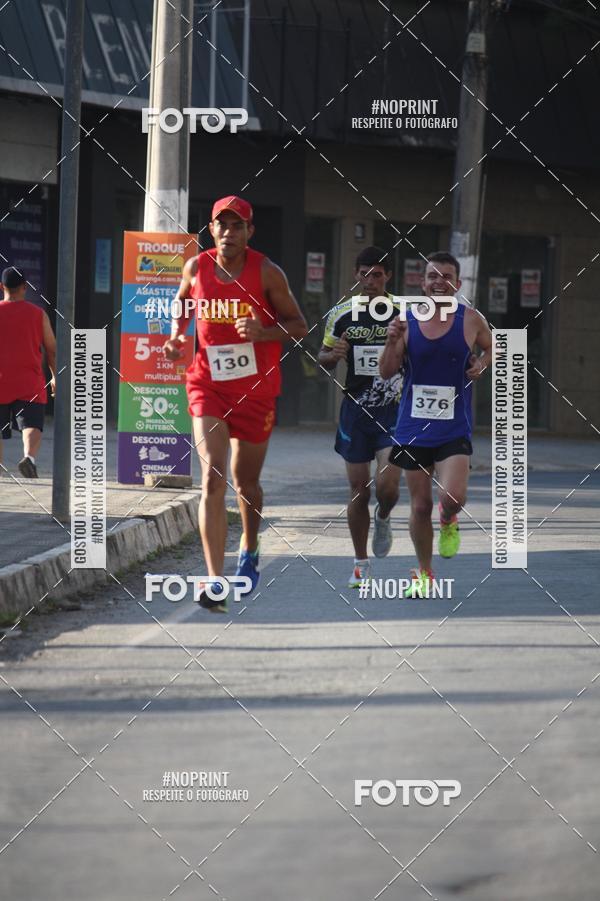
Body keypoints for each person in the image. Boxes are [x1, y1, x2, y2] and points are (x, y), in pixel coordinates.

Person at [164, 196, 307, 612]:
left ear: (249, 232)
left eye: (237, 225)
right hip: (207, 385)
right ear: (211, 229)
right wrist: (176, 337)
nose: (228, 232)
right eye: (221, 224)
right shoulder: (196, 267)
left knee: (246, 484)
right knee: (213, 475)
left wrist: (263, 332)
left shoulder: (267, 272)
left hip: (255, 391)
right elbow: (183, 303)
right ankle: (214, 580)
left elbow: (299, 325)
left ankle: (250, 542)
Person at [379, 251, 492, 597]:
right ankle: (424, 573)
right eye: (432, 276)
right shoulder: (406, 321)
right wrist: (391, 340)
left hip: (454, 425)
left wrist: (482, 364)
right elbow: (386, 371)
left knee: (452, 497)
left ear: (457, 284)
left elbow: (493, 347)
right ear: (422, 283)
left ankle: (448, 519)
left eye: (446, 276)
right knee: (419, 505)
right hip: (413, 427)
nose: (439, 282)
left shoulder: (470, 319)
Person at [318, 246, 403, 588]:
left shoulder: (403, 313)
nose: (370, 281)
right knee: (358, 490)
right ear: (356, 275)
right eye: (364, 274)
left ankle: (384, 515)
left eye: (377, 275)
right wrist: (333, 355)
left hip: (393, 408)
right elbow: (322, 356)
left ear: (388, 277)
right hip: (355, 411)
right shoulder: (342, 313)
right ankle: (360, 563)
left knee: (387, 486)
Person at [0, 267, 56, 478]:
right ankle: (29, 457)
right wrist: (54, 376)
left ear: (2, 287)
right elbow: (52, 349)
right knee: (31, 423)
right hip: (29, 382)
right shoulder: (38, 314)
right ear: (25, 287)